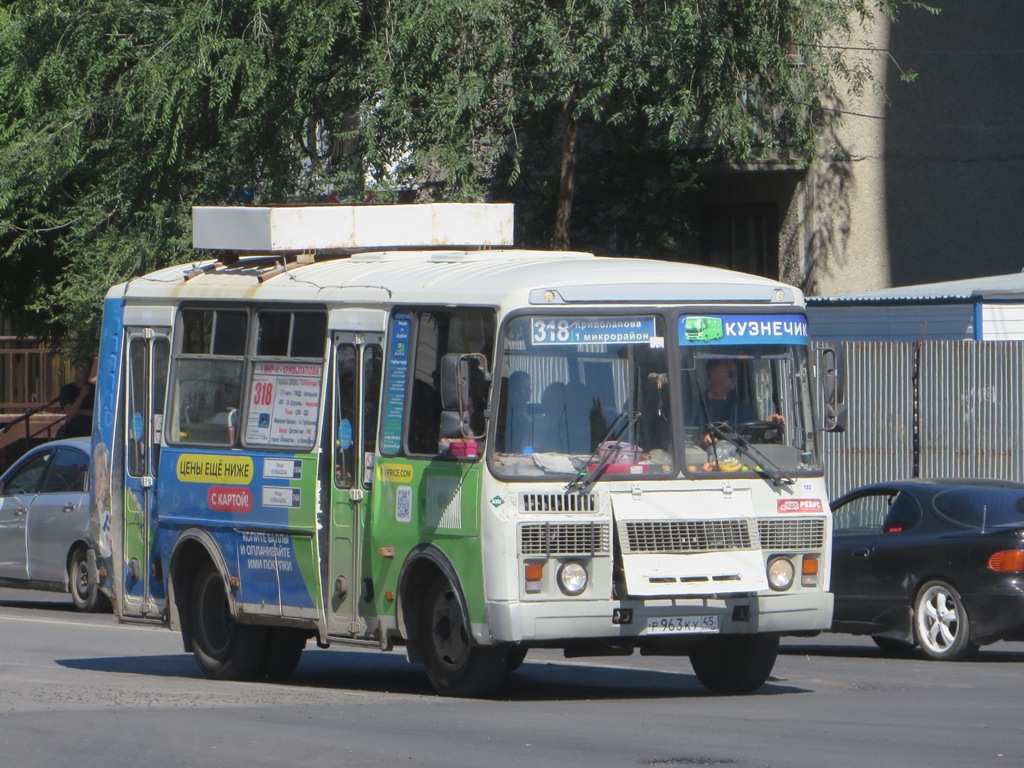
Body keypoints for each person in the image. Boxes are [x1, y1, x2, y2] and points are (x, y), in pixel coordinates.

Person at [58, 360, 95, 438]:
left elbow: (96, 413)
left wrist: (78, 412)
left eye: (87, 368)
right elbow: (70, 414)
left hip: (91, 433)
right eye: (81, 368)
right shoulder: (67, 390)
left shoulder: (95, 389)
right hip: (73, 434)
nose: (85, 372)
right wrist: (81, 396)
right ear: (76, 369)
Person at [505, 370, 534, 452]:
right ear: (514, 391)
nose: (529, 391)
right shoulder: (510, 415)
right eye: (525, 387)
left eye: (529, 387)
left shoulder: (526, 410)